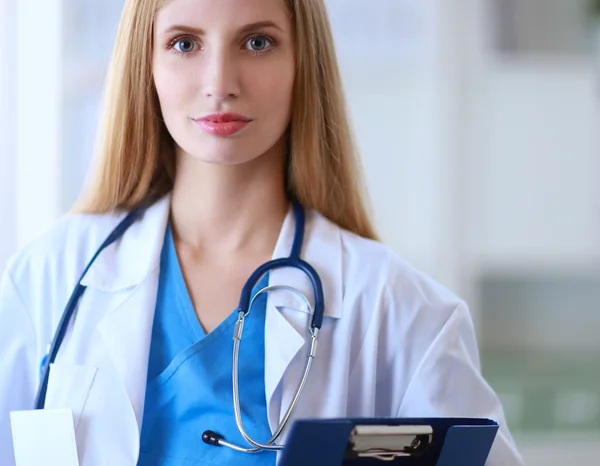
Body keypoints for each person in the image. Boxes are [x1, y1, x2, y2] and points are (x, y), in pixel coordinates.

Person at [0, 0, 525, 464]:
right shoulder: (49, 277)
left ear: (304, 63)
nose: (220, 81)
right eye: (185, 43)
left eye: (257, 42)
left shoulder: (400, 310)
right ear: (147, 64)